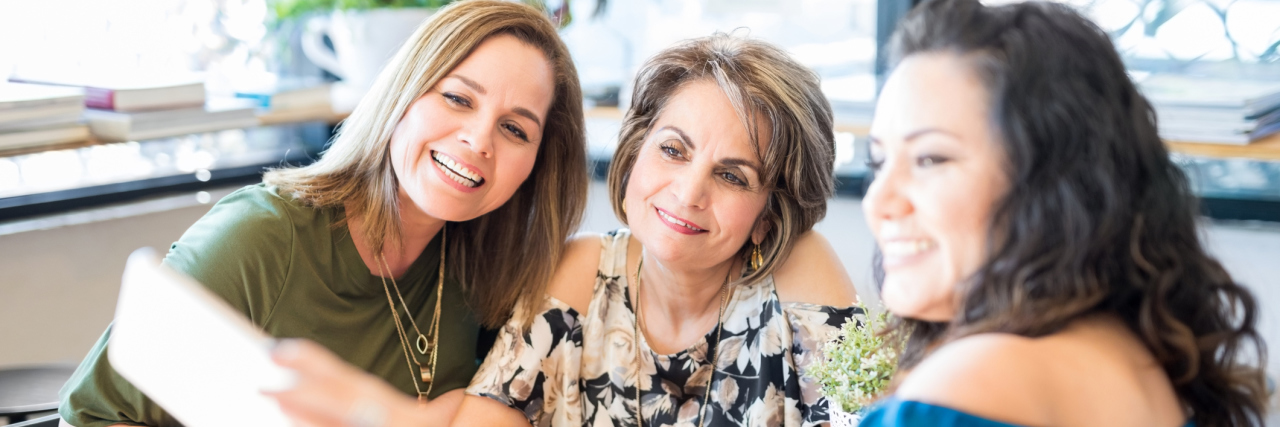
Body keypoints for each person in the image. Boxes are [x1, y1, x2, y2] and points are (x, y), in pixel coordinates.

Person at [264, 33, 861, 427]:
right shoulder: (580, 275)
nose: (689, 192)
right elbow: (483, 420)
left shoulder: (800, 276)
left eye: (732, 176)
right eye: (673, 150)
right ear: (634, 154)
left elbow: (875, 411)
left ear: (768, 215)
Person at [57, 1, 588, 426]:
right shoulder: (261, 238)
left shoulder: (485, 269)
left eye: (515, 129)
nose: (479, 140)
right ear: (402, 96)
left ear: (535, 168)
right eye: (457, 98)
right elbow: (91, 417)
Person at [856, 0, 1270, 426]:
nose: (878, 201)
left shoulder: (961, 391)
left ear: (1052, 181)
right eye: (878, 162)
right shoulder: (1140, 361)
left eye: (931, 159)